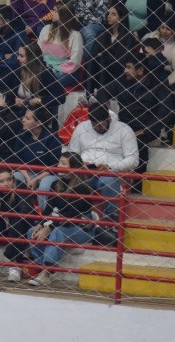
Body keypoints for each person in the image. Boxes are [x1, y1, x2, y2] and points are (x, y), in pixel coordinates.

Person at [28, 153, 97, 287]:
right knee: (32, 230)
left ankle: (46, 273)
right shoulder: (55, 184)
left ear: (74, 167)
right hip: (61, 222)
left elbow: (72, 215)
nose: (59, 166)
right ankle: (40, 264)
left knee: (58, 232)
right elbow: (48, 210)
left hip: (81, 227)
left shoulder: (82, 187)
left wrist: (50, 227)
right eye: (59, 163)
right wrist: (42, 224)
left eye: (64, 164)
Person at [62, 103, 138, 222]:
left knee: (108, 180)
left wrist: (110, 166)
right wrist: (80, 163)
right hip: (85, 171)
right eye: (94, 124)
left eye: (102, 123)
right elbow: (72, 153)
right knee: (65, 179)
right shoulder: (82, 127)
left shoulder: (124, 129)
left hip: (111, 172)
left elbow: (133, 160)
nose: (98, 127)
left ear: (108, 118)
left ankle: (110, 220)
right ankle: (77, 217)